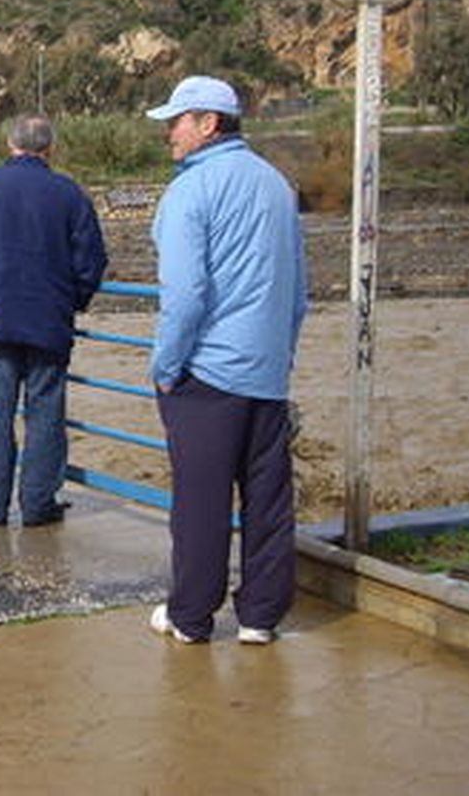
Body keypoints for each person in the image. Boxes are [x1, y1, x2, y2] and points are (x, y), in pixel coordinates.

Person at [143, 75, 308, 646]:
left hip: (207, 375)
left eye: (177, 121)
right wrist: (278, 356)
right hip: (264, 371)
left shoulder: (190, 191)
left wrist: (166, 367)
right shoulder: (275, 185)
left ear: (208, 123)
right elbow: (298, 291)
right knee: (267, 501)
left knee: (201, 503)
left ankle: (191, 616)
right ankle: (261, 616)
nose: (170, 132)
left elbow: (185, 296)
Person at [0, 113, 106, 528]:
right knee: (46, 416)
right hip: (49, 322)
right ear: (49, 148)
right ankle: (38, 503)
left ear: (9, 143)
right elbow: (91, 262)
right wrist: (72, 300)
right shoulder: (69, 195)